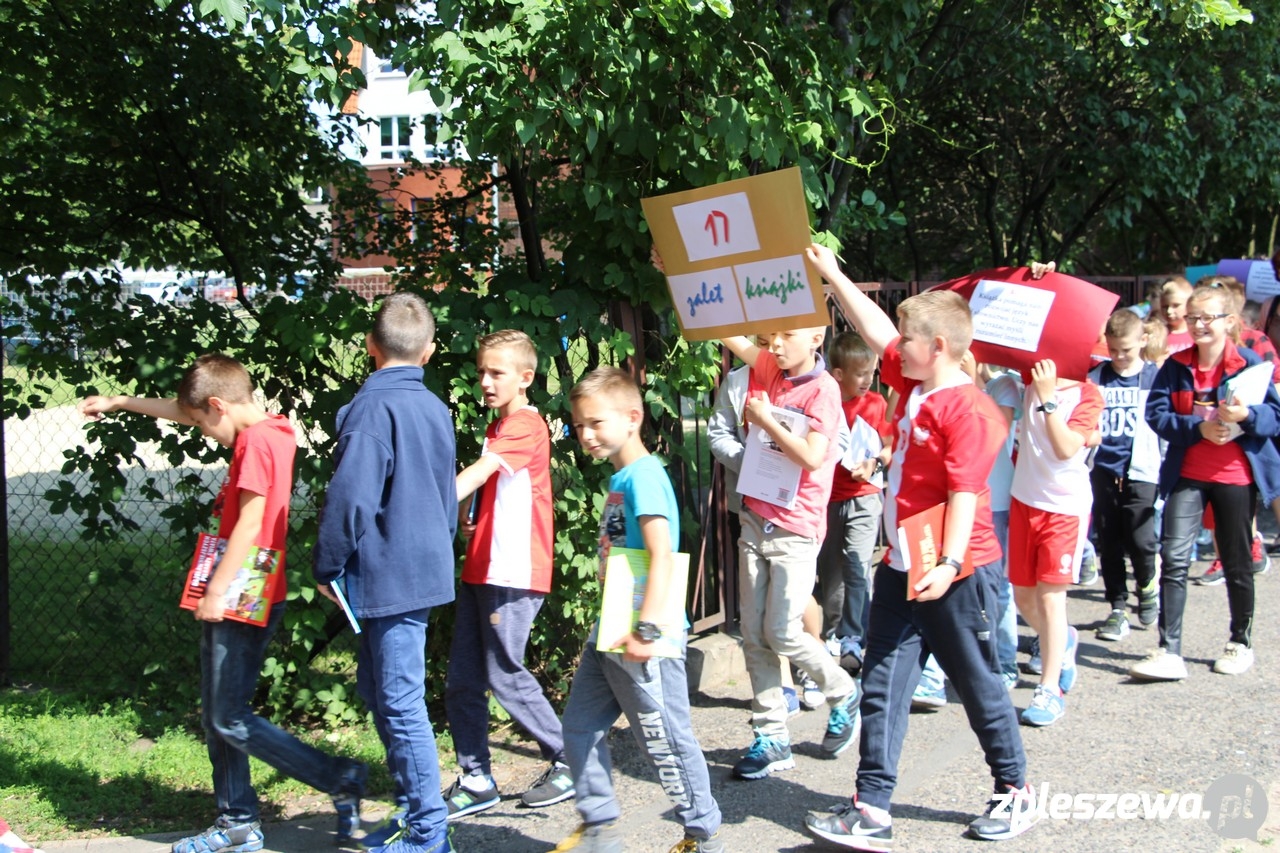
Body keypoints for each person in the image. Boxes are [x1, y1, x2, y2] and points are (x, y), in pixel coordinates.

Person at [79, 354, 367, 853]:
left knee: (228, 717)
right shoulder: (273, 428)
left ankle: (336, 777)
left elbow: (251, 523)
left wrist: (216, 590)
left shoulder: (254, 443)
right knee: (221, 715)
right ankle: (237, 821)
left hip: (240, 591)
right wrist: (119, 402)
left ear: (218, 405)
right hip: (252, 587)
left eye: (200, 423)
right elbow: (182, 407)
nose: (201, 432)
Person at [803, 244, 1036, 846]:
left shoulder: (970, 409)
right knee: (881, 686)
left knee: (978, 684)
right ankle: (871, 808)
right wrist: (833, 274)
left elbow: (966, 494)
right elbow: (875, 329)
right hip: (903, 564)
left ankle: (1015, 790)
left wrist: (950, 564)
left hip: (957, 572)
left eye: (909, 340)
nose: (897, 348)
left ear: (937, 347)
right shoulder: (917, 382)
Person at [312, 292, 458, 853]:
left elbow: (351, 499)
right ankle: (412, 809)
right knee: (378, 693)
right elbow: (446, 497)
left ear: (370, 346)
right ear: (429, 351)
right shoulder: (435, 408)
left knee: (398, 701)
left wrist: (327, 563)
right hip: (416, 568)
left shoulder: (372, 409)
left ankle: (428, 831)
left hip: (390, 573)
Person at [556, 367, 724, 852]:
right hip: (611, 628)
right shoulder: (623, 477)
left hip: (646, 634)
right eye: (579, 425)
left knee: (665, 740)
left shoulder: (645, 477)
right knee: (580, 727)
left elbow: (661, 555)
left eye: (596, 423)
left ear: (633, 417)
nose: (586, 435)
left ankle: (703, 834)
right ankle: (600, 828)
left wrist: (646, 629)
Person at [717, 327, 860, 780]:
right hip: (755, 519)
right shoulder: (771, 368)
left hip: (796, 529)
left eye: (786, 335)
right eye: (771, 336)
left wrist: (765, 420)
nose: (774, 344)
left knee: (781, 631)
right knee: (754, 634)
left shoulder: (824, 389)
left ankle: (841, 690)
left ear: (816, 337)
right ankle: (771, 736)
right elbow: (733, 336)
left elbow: (813, 457)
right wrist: (689, 289)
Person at [442, 329, 572, 820]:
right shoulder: (498, 427)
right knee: (462, 678)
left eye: (496, 373)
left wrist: (428, 503)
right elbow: (489, 482)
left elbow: (480, 472)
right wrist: (466, 513)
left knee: (503, 673)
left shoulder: (525, 424)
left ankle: (570, 759)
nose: (485, 381)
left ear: (525, 377)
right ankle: (476, 779)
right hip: (482, 567)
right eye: (481, 371)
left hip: (513, 571)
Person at [1130, 284, 1280, 681]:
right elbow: (1156, 415)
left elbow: (1274, 419)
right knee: (1174, 558)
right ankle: (1169, 650)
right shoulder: (1176, 365)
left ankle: (1239, 642)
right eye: (1192, 318)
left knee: (1236, 561)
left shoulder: (1250, 364)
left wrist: (1246, 416)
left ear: (1229, 322)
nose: (1197, 325)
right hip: (1187, 476)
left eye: (1207, 318)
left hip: (1235, 477)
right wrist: (1198, 428)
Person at [708, 350, 807, 716]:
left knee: (793, 600)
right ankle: (777, 694)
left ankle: (817, 666)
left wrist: (799, 461)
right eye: (763, 339)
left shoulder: (812, 380)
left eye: (780, 336)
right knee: (759, 608)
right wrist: (750, 462)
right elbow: (718, 432)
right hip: (751, 506)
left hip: (796, 511)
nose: (773, 346)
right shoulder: (737, 381)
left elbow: (836, 440)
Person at [1008, 352, 1102, 727]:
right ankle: (1062, 641)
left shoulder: (1088, 394)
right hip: (1024, 500)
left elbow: (1065, 448)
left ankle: (1049, 690)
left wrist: (1048, 398)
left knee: (1050, 597)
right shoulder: (1030, 376)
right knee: (1023, 597)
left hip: (1064, 507)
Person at [817, 331, 892, 676]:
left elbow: (890, 444)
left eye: (870, 373)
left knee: (857, 564)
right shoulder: (825, 403)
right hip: (829, 498)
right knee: (831, 572)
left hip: (864, 497)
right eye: (860, 374)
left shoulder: (876, 403)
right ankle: (833, 630)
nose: (867, 380)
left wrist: (875, 463)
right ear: (838, 374)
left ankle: (852, 636)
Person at [1088, 310, 1162, 641]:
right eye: (1113, 349)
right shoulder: (1096, 378)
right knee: (1109, 541)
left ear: (1143, 341)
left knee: (1142, 540)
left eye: (1126, 350)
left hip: (1143, 470)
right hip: (1103, 469)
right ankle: (1117, 607)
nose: (1118, 357)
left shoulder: (1155, 377)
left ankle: (1147, 585)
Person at [1160, 276, 1195, 356]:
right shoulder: (1158, 335)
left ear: (1189, 304)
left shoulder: (1196, 333)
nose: (1169, 311)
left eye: (1175, 305)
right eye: (1165, 306)